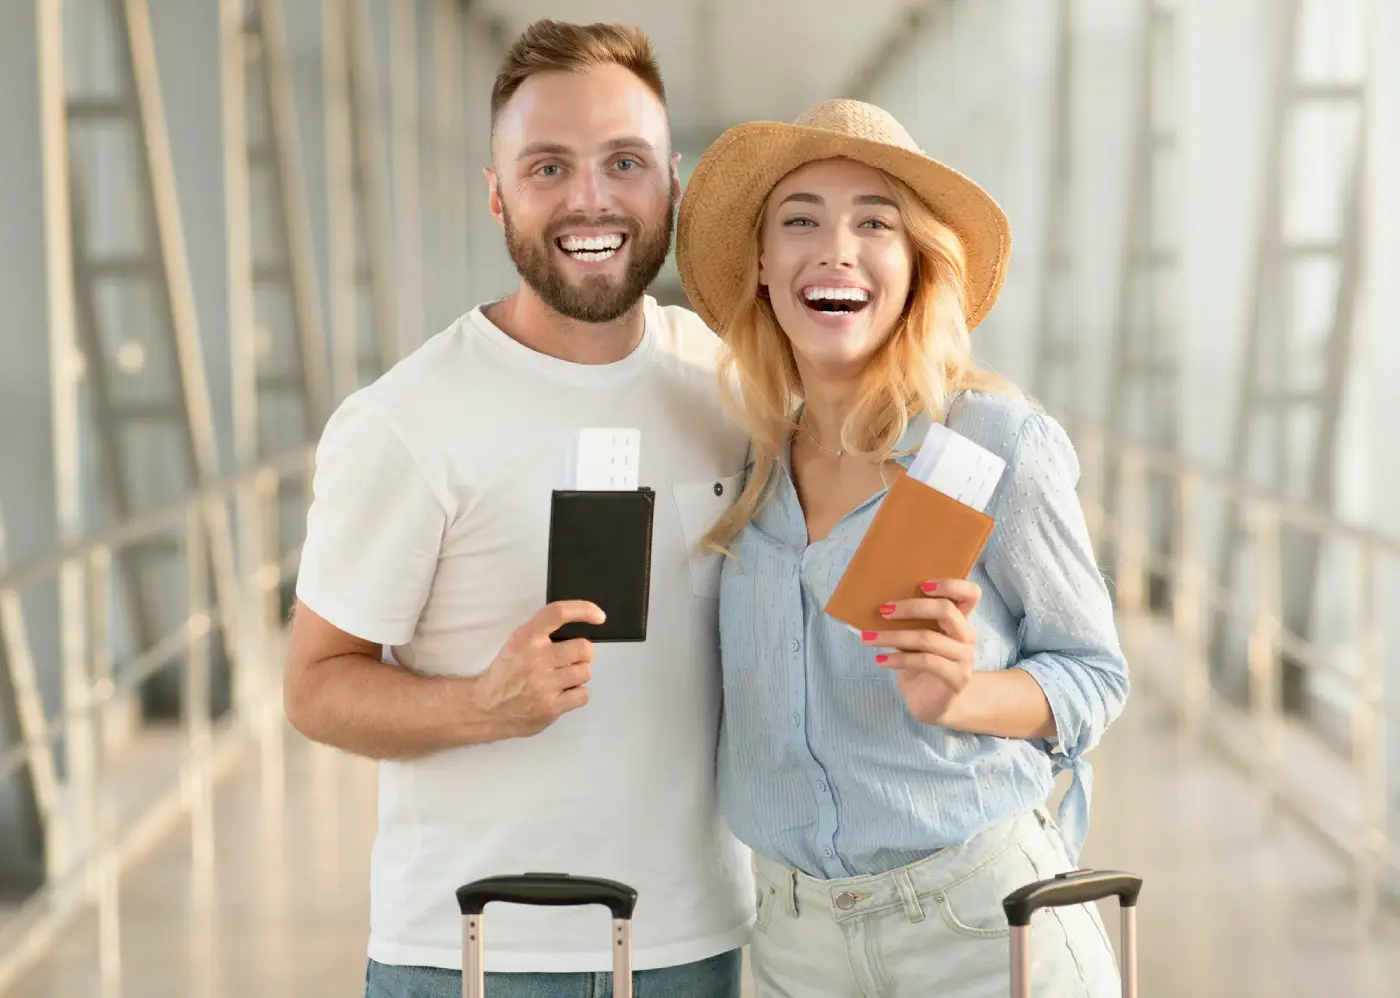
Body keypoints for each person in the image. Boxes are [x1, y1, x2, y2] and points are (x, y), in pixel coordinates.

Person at [284, 20, 753, 998]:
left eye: (622, 161)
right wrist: (476, 704)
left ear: (669, 181)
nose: (590, 198)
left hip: (692, 941)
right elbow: (315, 683)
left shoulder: (729, 386)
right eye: (548, 167)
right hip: (474, 951)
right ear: (496, 194)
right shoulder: (405, 422)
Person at [674, 99, 1131, 995]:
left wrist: (967, 694)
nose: (835, 248)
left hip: (982, 931)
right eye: (799, 220)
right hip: (793, 948)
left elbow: (1095, 676)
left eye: (873, 223)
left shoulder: (994, 444)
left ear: (917, 263)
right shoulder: (747, 468)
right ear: (763, 267)